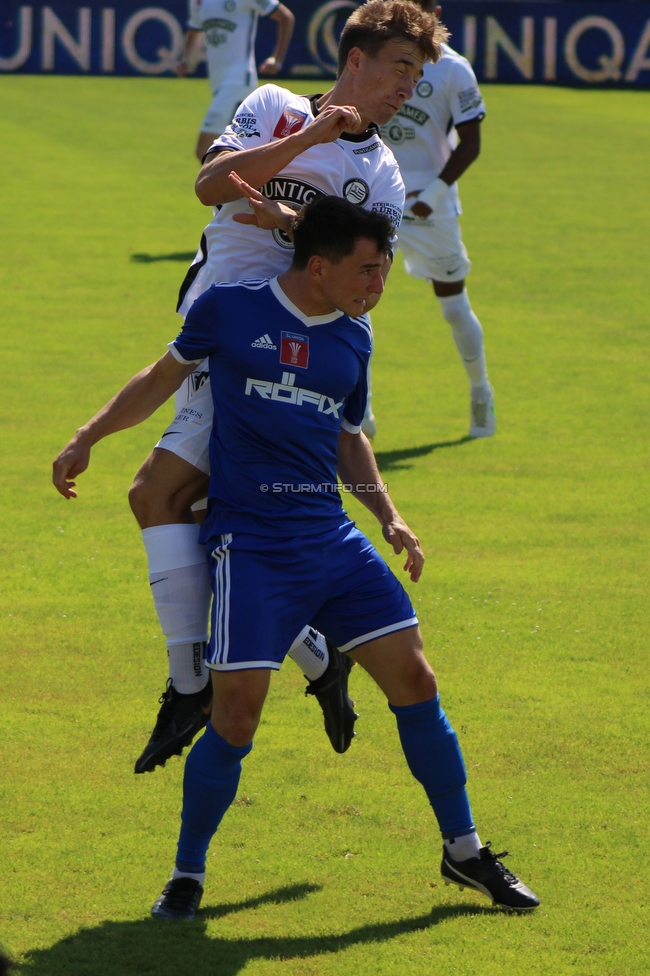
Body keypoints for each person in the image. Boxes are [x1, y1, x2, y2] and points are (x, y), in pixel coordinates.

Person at [52, 195, 540, 919]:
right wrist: (87, 437)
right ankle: (187, 875)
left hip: (332, 539)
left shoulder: (356, 338)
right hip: (250, 544)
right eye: (368, 270)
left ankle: (463, 850)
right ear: (320, 266)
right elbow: (159, 379)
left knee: (416, 678)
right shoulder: (229, 309)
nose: (378, 285)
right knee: (237, 717)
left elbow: (349, 438)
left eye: (383, 270)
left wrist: (390, 514)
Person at [125, 1, 448, 776]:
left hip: (266, 352)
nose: (408, 87)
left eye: (418, 74)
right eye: (400, 66)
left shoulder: (381, 178)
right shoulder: (275, 108)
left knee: (156, 496)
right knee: (206, 514)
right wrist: (309, 140)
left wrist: (284, 225)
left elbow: (356, 281)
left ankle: (188, 684)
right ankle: (317, 656)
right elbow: (208, 186)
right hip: (211, 323)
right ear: (356, 58)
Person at [382, 2, 495, 437]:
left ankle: (480, 392)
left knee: (452, 305)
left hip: (432, 205)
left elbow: (472, 142)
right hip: (374, 195)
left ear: (436, 11)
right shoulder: (378, 58)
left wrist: (433, 193)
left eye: (420, 8)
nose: (412, 16)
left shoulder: (454, 69)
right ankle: (360, 415)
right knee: (351, 302)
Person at [176, 0, 295, 162]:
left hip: (238, 82)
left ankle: (230, 186)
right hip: (218, 84)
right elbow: (195, 30)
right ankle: (250, 185)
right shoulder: (197, 2)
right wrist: (187, 59)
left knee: (205, 149)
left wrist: (277, 59)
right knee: (235, 151)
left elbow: (286, 17)